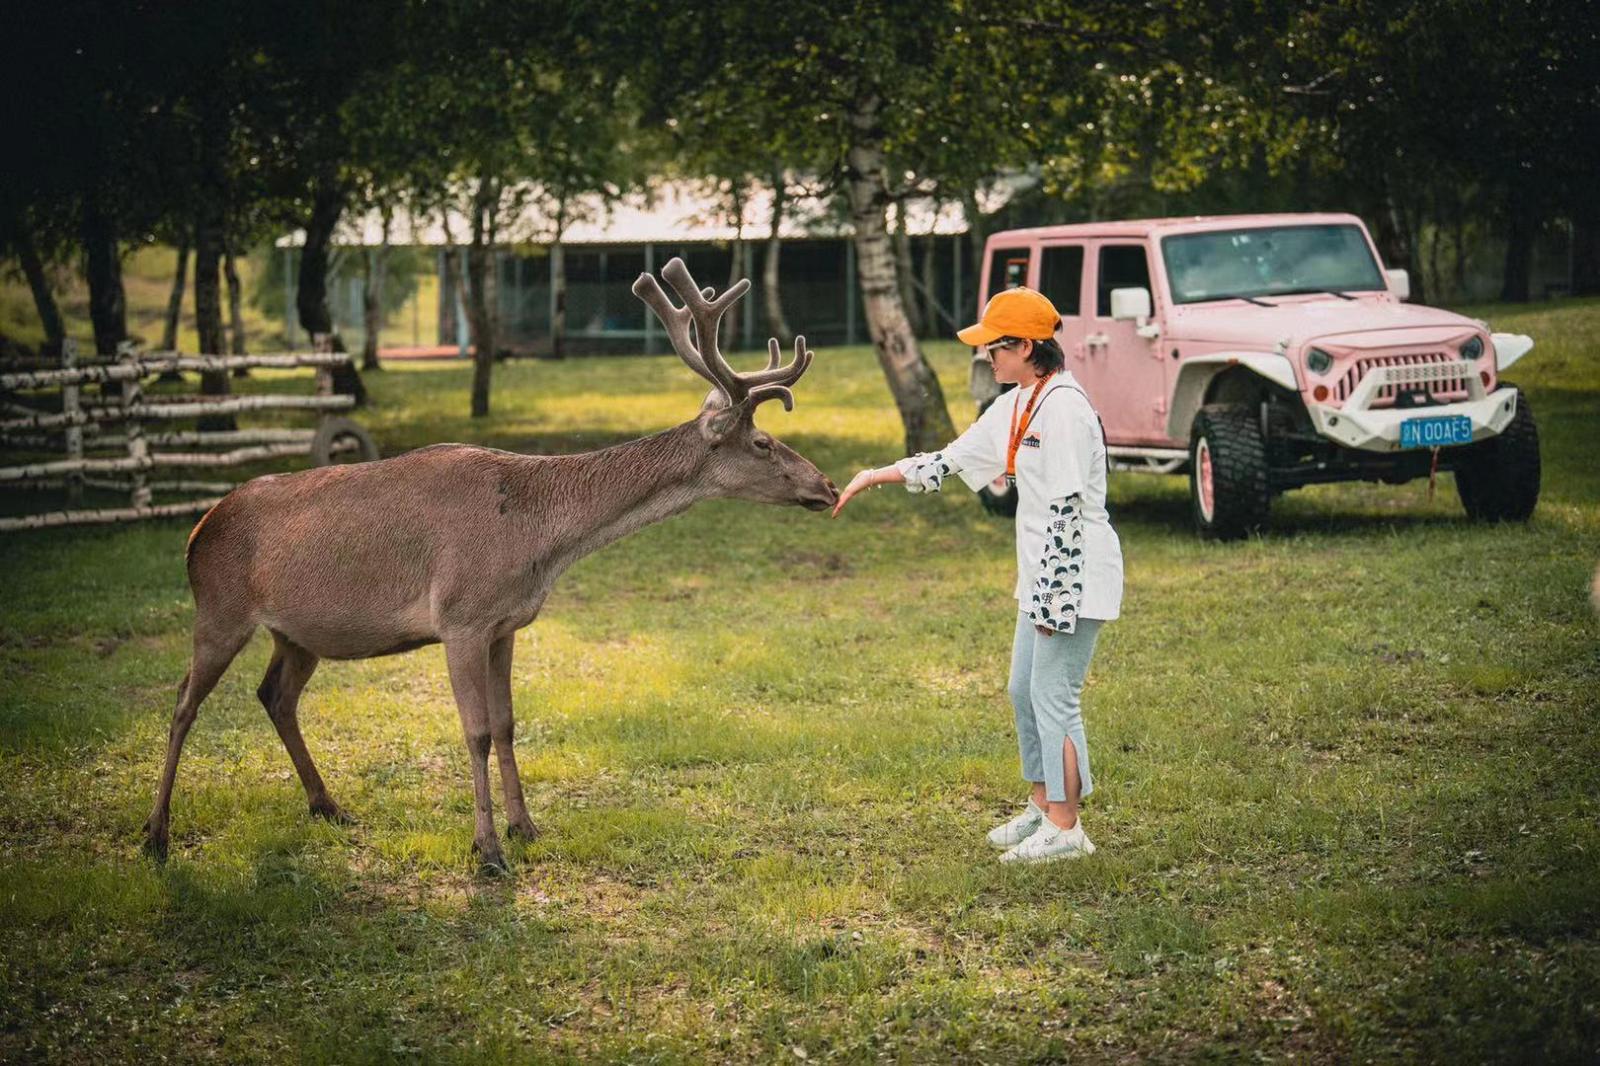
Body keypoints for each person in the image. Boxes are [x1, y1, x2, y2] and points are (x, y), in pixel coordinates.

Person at [831, 287, 1123, 863]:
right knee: (1023, 689)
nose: (986, 358)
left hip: (1073, 577)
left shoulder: (1063, 407)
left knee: (1054, 695)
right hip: (1039, 575)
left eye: (994, 347)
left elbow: (1066, 510)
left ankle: (1067, 831)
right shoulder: (1018, 401)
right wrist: (875, 474)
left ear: (1027, 346)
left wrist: (1053, 604)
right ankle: (1043, 805)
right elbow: (953, 458)